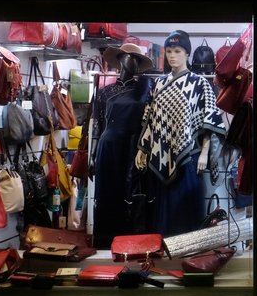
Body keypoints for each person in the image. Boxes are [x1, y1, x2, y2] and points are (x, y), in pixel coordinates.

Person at [135, 30, 226, 236]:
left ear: (187, 53)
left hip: (189, 157)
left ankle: (189, 253)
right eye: (168, 51)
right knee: (163, 210)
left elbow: (209, 120)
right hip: (161, 155)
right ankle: (164, 252)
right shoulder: (158, 83)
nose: (172, 55)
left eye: (177, 50)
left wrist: (204, 152)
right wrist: (143, 148)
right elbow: (150, 118)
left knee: (187, 210)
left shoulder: (200, 83)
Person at [89, 43, 154, 247]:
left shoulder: (145, 89)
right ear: (120, 60)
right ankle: (105, 242)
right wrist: (92, 152)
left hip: (134, 146)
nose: (134, 63)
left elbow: (150, 120)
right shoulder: (105, 92)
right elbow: (97, 123)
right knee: (108, 194)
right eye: (130, 58)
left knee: (133, 194)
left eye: (138, 60)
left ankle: (133, 243)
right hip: (109, 147)